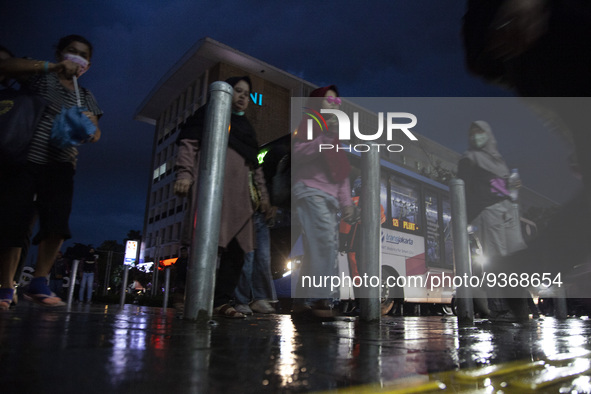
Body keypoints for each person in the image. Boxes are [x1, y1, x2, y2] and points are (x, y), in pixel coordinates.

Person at [462, 0, 591, 313]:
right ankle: (520, 270)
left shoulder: (497, 159)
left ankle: (520, 271)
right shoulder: (471, 160)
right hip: (545, 26)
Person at [0, 35, 102, 307]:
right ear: (59, 53)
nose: (76, 57)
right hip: (26, 159)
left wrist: (87, 127)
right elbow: (9, 66)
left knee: (57, 224)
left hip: (62, 163)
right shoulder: (40, 78)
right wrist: (51, 68)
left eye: (82, 54)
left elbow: (96, 134)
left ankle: (39, 281)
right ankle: (6, 287)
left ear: (88, 65)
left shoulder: (87, 95)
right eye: (71, 51)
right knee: (15, 223)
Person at [174, 76, 271, 318]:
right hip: (210, 190)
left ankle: (221, 301)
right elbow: (189, 143)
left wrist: (264, 197)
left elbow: (255, 165)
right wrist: (184, 174)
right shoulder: (207, 114)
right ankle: (187, 294)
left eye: (246, 94)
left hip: (240, 199)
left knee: (237, 251)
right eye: (237, 91)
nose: (241, 97)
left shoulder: (247, 128)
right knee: (203, 243)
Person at [291, 85, 355, 319]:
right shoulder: (310, 123)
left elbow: (342, 175)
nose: (334, 104)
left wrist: (346, 204)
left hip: (329, 200)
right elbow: (298, 153)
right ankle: (320, 300)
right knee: (325, 246)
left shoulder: (333, 136)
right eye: (329, 100)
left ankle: (300, 303)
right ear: (318, 103)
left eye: (337, 101)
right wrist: (323, 139)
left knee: (316, 250)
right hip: (310, 191)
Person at [457, 121, 529, 321]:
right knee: (496, 261)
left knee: (515, 260)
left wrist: (512, 188)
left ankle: (520, 307)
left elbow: (504, 189)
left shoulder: (499, 161)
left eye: (479, 132)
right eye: (472, 133)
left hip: (508, 212)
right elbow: (462, 187)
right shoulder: (469, 158)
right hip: (487, 212)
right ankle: (499, 309)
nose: (476, 136)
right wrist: (466, 218)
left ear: (488, 134)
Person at [233, 207, 278, 315]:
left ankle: (259, 298)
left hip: (260, 211)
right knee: (247, 257)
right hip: (243, 210)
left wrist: (272, 203)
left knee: (263, 258)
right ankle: (241, 300)